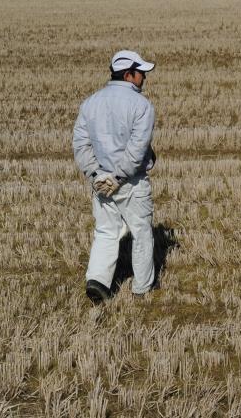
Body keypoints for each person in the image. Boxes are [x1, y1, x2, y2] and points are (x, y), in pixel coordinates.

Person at [73, 50, 158, 304]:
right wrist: (118, 177)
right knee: (141, 232)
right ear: (129, 74)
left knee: (106, 231)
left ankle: (97, 281)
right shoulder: (142, 106)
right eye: (141, 73)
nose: (144, 78)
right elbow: (137, 149)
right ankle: (142, 289)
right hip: (131, 182)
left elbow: (80, 144)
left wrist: (96, 175)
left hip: (100, 183)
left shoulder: (90, 102)